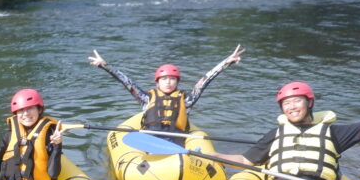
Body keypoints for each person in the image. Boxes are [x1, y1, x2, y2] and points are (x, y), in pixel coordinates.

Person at [208, 81, 360, 180]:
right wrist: (216, 156)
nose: (292, 107)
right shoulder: (275, 134)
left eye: (297, 101)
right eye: (286, 103)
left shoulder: (333, 133)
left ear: (309, 103)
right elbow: (245, 160)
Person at [88, 45, 245, 141]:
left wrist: (226, 62)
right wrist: (105, 66)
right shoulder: (145, 98)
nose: (168, 82)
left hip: (176, 139)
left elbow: (205, 80)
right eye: (164, 79)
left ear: (177, 82)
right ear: (157, 82)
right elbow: (125, 81)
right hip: (150, 138)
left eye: (172, 79)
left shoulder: (187, 100)